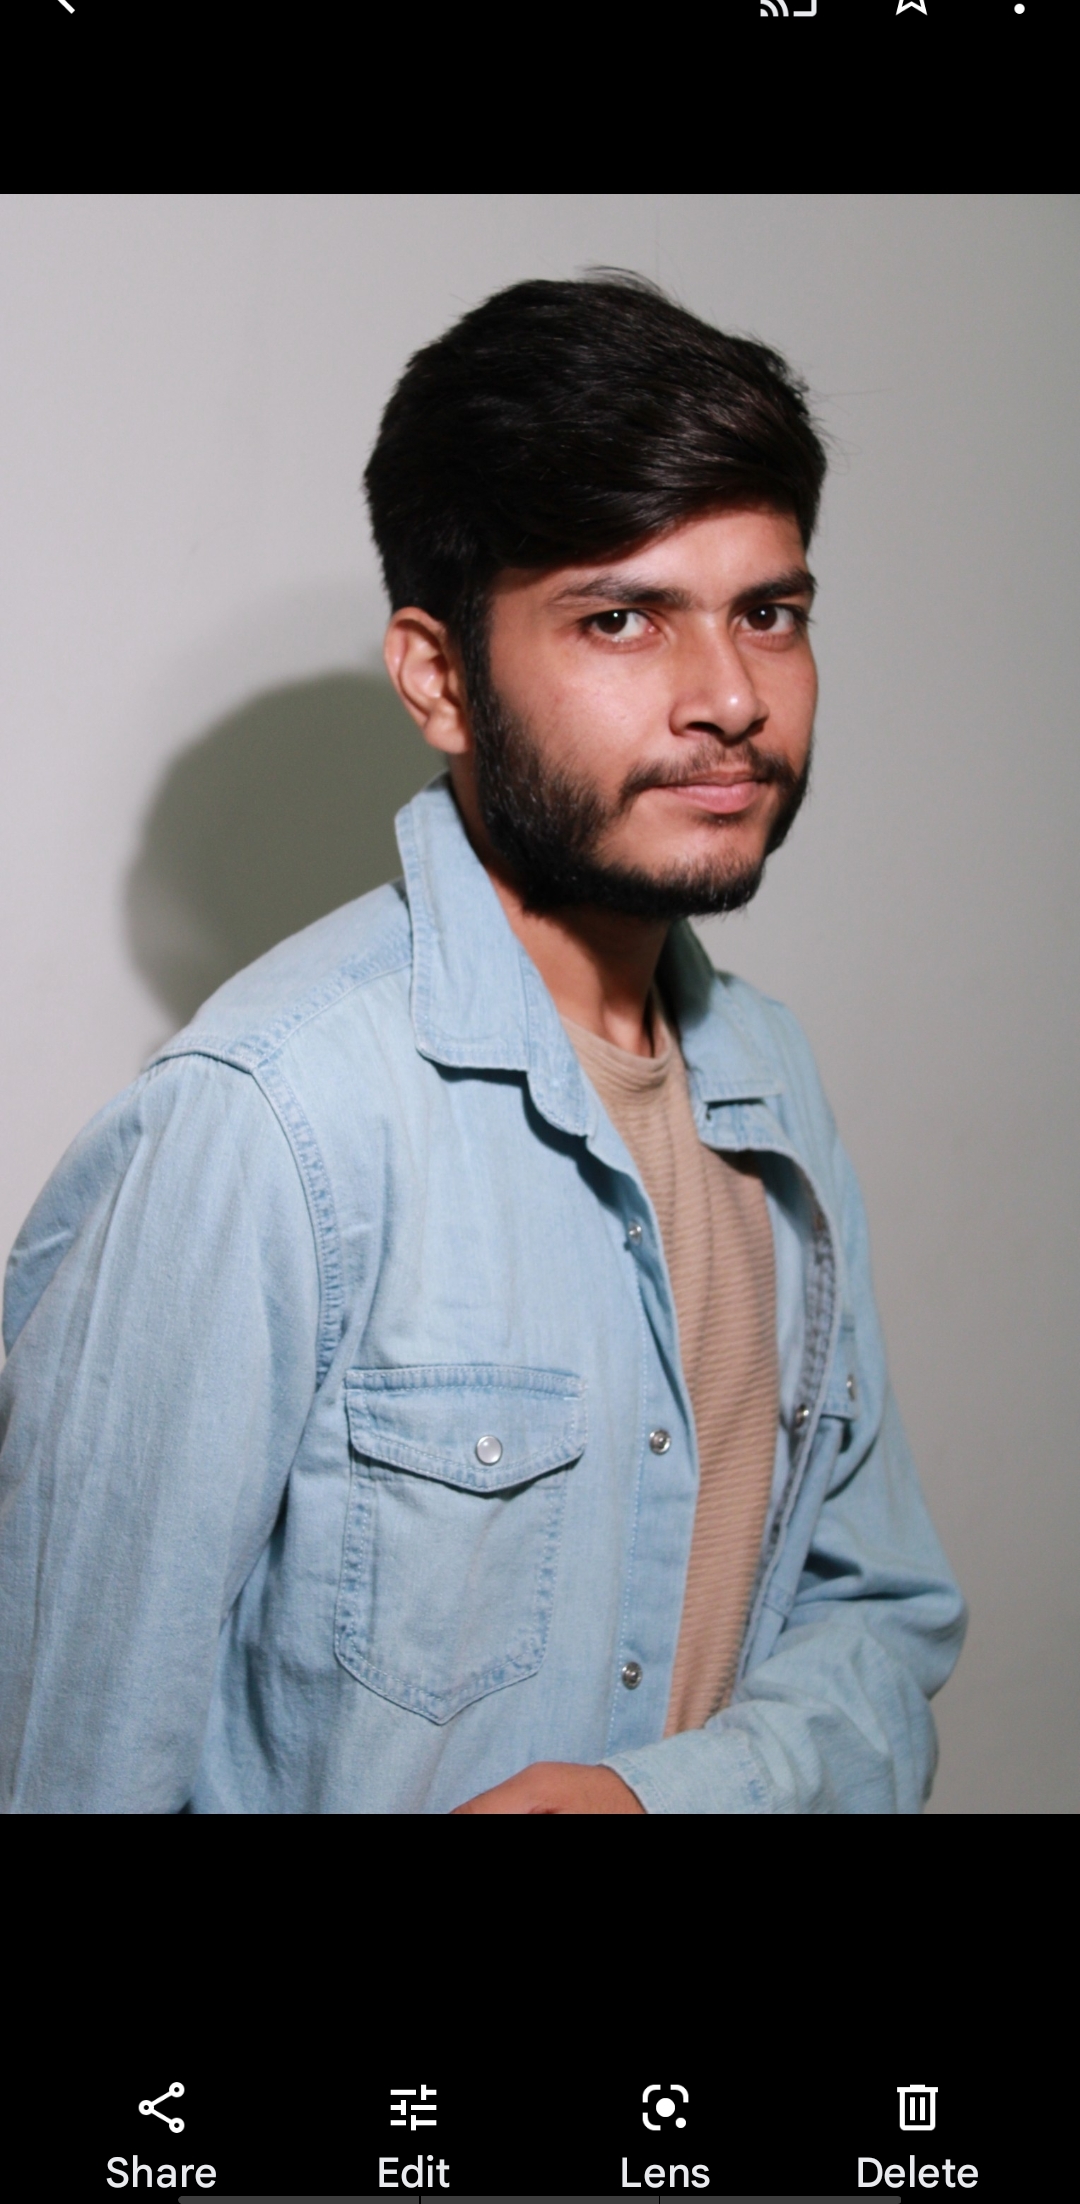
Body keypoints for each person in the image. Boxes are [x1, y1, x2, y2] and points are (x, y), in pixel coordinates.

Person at [0, 274, 966, 1813]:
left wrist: (658, 1799)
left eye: (768, 614)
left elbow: (880, 1617)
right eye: (622, 617)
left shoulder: (770, 1081)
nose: (731, 697)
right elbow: (65, 1770)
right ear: (440, 678)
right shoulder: (264, 1124)